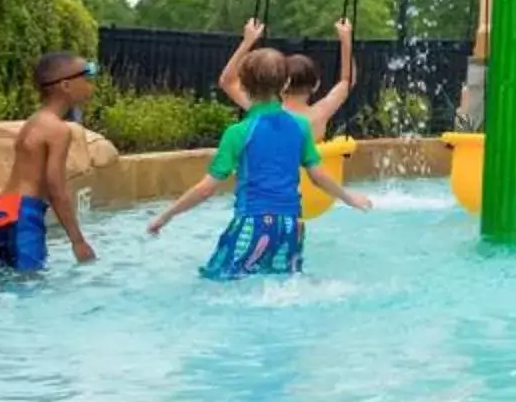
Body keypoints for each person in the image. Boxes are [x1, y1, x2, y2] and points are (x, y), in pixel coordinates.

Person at [145, 48, 370, 274]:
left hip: (253, 224)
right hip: (292, 227)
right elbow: (318, 176)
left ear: (243, 85)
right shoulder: (300, 127)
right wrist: (350, 198)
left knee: (218, 279)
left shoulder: (239, 132)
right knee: (282, 286)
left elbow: (206, 189)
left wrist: (166, 216)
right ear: (285, 84)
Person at [0, 54, 101, 272]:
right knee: (29, 285)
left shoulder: (35, 121)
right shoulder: (58, 129)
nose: (90, 85)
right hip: (23, 215)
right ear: (66, 85)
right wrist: (77, 241)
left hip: (0, 210)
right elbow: (56, 187)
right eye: (86, 77)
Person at [218, 17, 355, 136]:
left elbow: (227, 81)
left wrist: (247, 42)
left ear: (282, 83)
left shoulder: (263, 111)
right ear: (316, 85)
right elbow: (346, 81)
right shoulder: (319, 114)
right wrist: (346, 41)